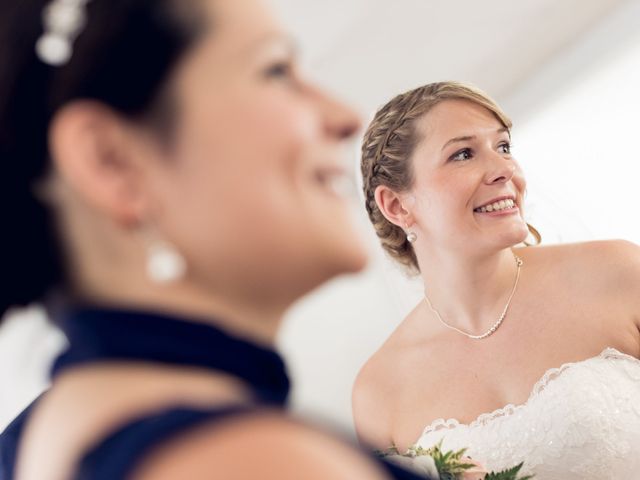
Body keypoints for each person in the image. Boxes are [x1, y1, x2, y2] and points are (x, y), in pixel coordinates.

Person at [0, 1, 425, 479]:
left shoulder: (72, 430)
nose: (346, 115)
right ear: (110, 161)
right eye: (276, 69)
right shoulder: (244, 462)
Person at [354, 81, 640, 479]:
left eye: (504, 147)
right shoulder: (379, 391)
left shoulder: (618, 271)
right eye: (463, 154)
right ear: (397, 205)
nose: (505, 169)